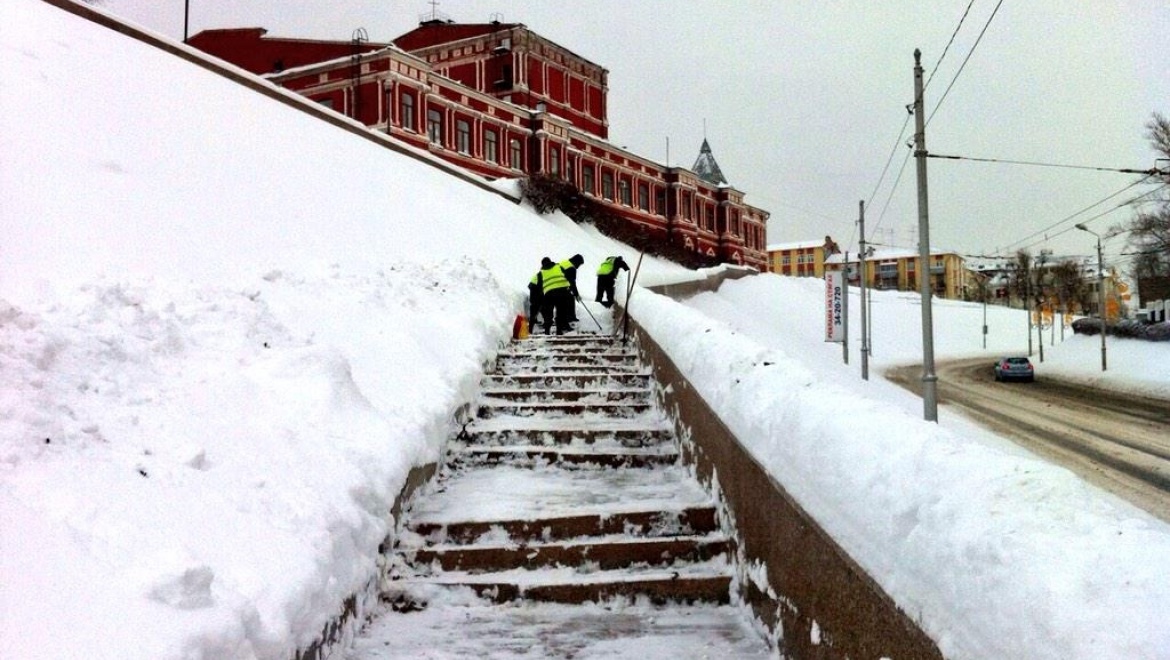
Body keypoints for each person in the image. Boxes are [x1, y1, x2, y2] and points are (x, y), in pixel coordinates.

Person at [536, 257, 574, 335]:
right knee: (560, 312)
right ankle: (559, 331)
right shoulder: (559, 267)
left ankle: (547, 331)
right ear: (551, 261)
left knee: (548, 313)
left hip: (549, 294)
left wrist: (540, 299)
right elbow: (569, 277)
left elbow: (539, 287)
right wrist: (572, 289)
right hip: (562, 292)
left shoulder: (541, 273)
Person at [555, 254, 585, 323]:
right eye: (579, 264)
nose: (578, 267)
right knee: (567, 298)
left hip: (554, 283)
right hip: (558, 286)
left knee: (570, 297)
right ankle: (567, 318)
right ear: (576, 261)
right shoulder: (571, 268)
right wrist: (577, 295)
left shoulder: (565, 262)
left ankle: (570, 317)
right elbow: (572, 283)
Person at [526, 264, 546, 333]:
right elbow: (541, 288)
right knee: (542, 311)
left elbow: (529, 286)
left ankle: (531, 329)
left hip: (533, 297)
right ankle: (530, 330)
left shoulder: (538, 275)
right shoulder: (542, 275)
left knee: (534, 313)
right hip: (538, 298)